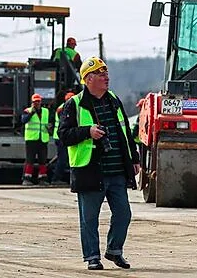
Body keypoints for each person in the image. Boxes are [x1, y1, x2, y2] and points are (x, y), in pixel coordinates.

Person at [58, 56, 140, 270]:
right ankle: (92, 257)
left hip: (117, 171)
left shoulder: (113, 99)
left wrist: (134, 158)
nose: (106, 77)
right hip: (90, 170)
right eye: (101, 74)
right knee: (89, 219)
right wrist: (88, 132)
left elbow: (124, 133)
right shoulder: (74, 104)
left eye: (106, 73)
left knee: (124, 214)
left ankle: (114, 250)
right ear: (88, 79)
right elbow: (63, 135)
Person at [20, 93, 51, 186]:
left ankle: (42, 178)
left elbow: (49, 122)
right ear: (32, 102)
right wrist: (31, 113)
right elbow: (23, 120)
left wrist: (50, 127)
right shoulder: (27, 111)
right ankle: (26, 178)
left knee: (43, 160)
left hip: (43, 139)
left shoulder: (46, 111)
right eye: (35, 102)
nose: (37, 103)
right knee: (30, 160)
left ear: (41, 102)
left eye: (38, 101)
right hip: (31, 139)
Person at [51, 91, 75, 184]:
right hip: (62, 138)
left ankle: (58, 178)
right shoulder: (64, 108)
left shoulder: (62, 107)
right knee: (63, 159)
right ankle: (56, 179)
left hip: (61, 137)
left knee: (65, 158)